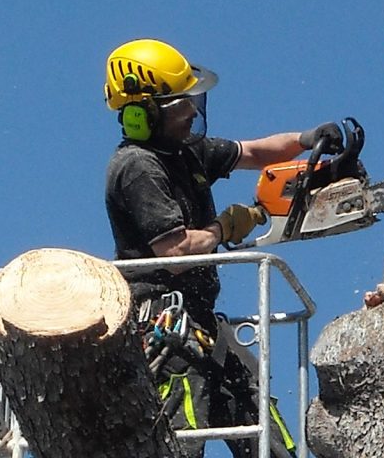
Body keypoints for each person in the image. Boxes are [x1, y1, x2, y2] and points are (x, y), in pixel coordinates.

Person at [103, 38, 342, 458]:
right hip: (164, 324)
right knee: (179, 438)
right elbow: (176, 253)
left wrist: (306, 140)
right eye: (181, 104)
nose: (192, 111)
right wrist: (224, 226)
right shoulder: (137, 167)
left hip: (205, 325)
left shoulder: (187, 152)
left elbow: (253, 152)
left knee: (262, 422)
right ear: (143, 113)